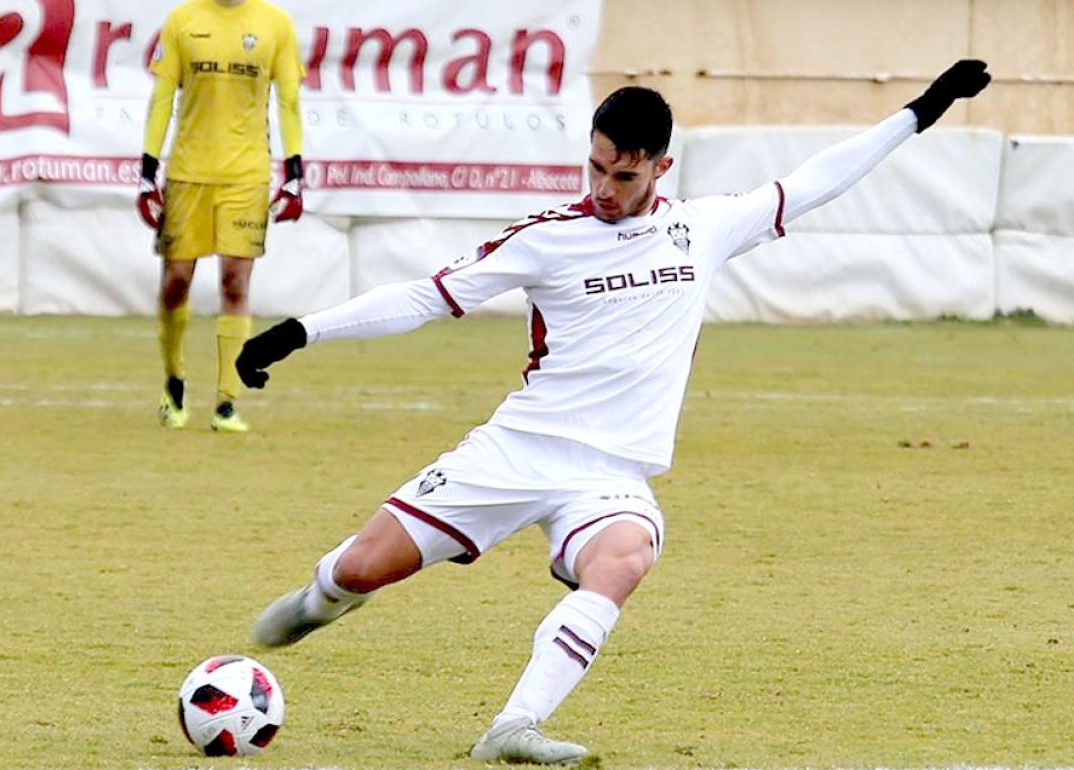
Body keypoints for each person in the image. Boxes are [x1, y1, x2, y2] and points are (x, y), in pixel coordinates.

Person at [235, 61, 992, 763]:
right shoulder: (547, 239)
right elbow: (427, 296)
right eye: (595, 166)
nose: (604, 186)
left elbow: (821, 178)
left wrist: (923, 109)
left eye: (623, 173)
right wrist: (302, 330)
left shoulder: (704, 226)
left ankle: (512, 726)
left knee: (625, 557)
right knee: (363, 569)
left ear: (661, 167)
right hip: (518, 449)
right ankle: (323, 597)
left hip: (611, 475)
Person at [137, 0, 305, 433]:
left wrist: (294, 174)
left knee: (235, 281)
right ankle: (174, 381)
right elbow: (161, 99)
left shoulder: (275, 23)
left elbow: (288, 101)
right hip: (187, 175)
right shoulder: (183, 19)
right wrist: (147, 172)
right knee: (175, 283)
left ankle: (226, 402)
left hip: (246, 176)